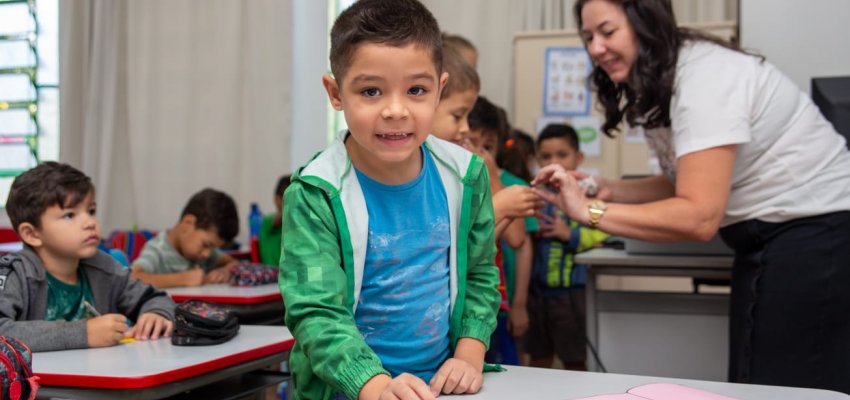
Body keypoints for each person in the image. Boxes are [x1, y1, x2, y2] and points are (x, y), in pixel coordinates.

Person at [535, 0, 850, 392]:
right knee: (751, 382)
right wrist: (604, 187)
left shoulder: (705, 77)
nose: (596, 48)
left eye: (608, 32)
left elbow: (699, 215)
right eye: (588, 37)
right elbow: (683, 181)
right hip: (769, 240)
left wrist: (590, 211)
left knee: (785, 385)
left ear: (644, 23)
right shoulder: (659, 81)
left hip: (815, 236)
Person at [280, 1, 500, 399]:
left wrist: (469, 355)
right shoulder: (317, 193)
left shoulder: (467, 175)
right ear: (335, 92)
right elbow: (316, 312)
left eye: (416, 90)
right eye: (370, 91)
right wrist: (375, 386)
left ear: (440, 90)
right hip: (349, 392)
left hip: (441, 389)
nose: (395, 110)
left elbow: (481, 275)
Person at [0, 162, 175, 352]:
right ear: (32, 234)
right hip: (40, 381)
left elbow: (155, 298)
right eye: (69, 215)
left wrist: (156, 313)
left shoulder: (103, 267)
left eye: (91, 211)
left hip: (98, 378)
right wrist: (84, 333)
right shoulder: (15, 274)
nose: (90, 222)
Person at [527, 124, 608, 371]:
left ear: (578, 158)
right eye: (546, 156)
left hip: (571, 294)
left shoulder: (591, 195)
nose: (554, 163)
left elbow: (601, 232)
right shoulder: (535, 194)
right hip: (536, 294)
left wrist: (569, 234)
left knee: (575, 360)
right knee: (538, 358)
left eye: (562, 155)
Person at [465, 96, 536, 365]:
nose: (480, 153)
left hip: (498, 301)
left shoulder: (509, 183)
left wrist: (493, 178)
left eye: (488, 146)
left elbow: (518, 239)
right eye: (471, 143)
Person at [131, 188, 240, 289]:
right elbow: (133, 278)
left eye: (213, 248)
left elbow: (233, 262)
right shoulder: (157, 250)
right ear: (188, 223)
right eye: (206, 244)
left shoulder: (205, 255)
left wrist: (225, 271)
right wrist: (182, 279)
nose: (207, 254)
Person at [259, 174, 291, 266]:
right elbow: (277, 220)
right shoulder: (268, 220)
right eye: (289, 200)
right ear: (277, 199)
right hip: (272, 271)